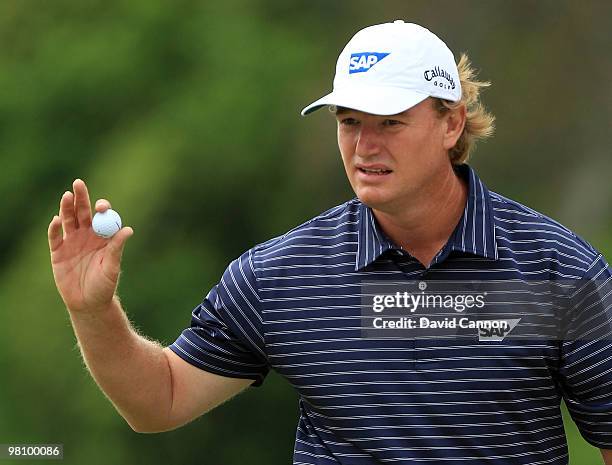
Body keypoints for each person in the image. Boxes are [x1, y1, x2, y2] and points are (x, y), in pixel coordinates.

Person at [48, 20, 612, 465]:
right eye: (348, 121)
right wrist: (93, 311)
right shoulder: (281, 275)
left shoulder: (561, 269)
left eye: (389, 121)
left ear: (452, 124)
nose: (365, 145)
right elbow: (160, 401)